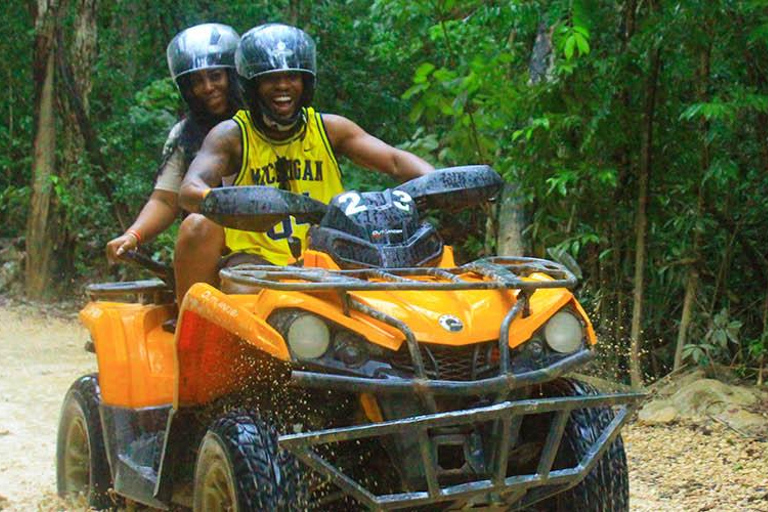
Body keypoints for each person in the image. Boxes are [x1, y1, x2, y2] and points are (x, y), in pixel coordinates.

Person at [177, 23, 433, 298]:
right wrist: (229, 202)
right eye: (270, 78)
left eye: (292, 76)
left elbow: (395, 160)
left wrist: (437, 181)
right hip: (256, 259)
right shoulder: (232, 135)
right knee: (206, 238)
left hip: (330, 254)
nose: (283, 85)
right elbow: (190, 188)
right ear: (252, 85)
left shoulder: (330, 129)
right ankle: (190, 323)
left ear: (305, 82)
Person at [105, 23, 242, 300]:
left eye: (215, 76)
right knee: (201, 224)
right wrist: (133, 235)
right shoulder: (184, 134)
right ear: (186, 88)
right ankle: (192, 324)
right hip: (209, 250)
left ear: (232, 75)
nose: (208, 88)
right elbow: (166, 200)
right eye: (197, 81)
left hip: (274, 244)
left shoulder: (267, 124)